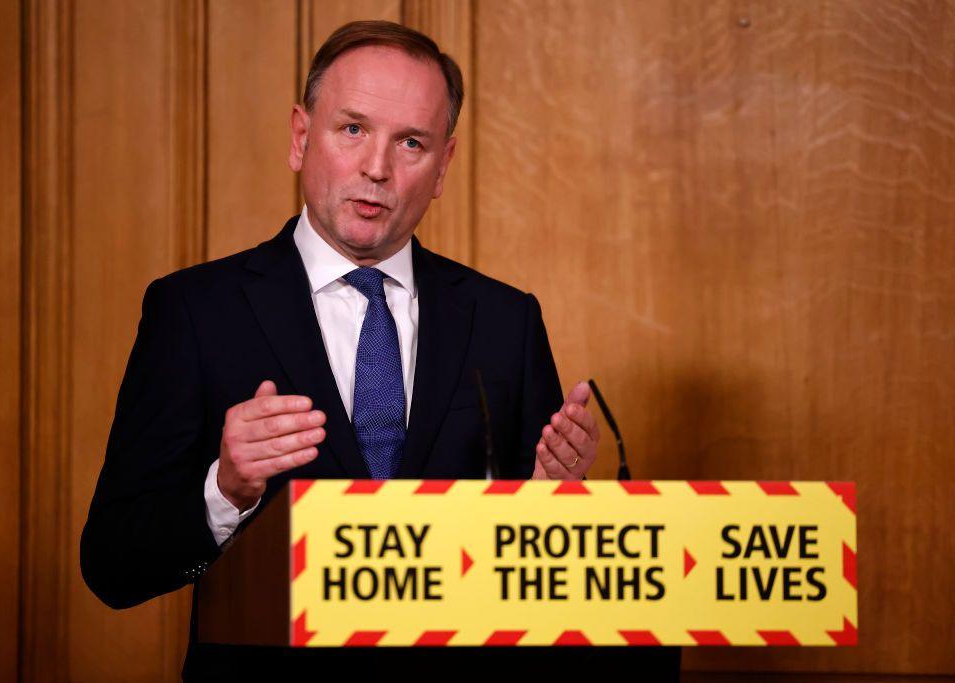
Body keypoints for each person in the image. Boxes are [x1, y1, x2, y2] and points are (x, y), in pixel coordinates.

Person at [81, 20, 678, 680]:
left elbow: (539, 584)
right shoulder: (194, 310)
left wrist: (547, 507)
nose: (377, 167)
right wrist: (225, 489)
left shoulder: (506, 320)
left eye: (411, 142)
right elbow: (113, 566)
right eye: (353, 129)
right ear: (301, 137)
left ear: (443, 165)